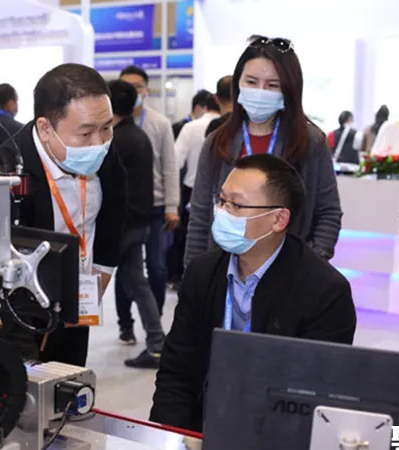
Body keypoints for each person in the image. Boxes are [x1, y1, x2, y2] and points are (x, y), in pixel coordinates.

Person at [150, 154, 356, 432]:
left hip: (276, 436)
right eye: (221, 201)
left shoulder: (325, 293)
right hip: (202, 426)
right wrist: (172, 438)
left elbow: (312, 399)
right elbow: (176, 370)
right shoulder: (202, 272)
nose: (222, 212)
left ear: (278, 219)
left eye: (236, 205)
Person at [0, 64, 127, 367]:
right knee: (22, 383)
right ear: (45, 128)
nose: (99, 143)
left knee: (68, 379)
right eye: (85, 133)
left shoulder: (103, 150)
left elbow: (113, 216)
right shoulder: (6, 166)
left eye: (106, 127)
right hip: (16, 304)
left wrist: (97, 282)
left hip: (78, 295)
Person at [185, 35, 342, 268]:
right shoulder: (218, 142)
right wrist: (194, 276)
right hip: (224, 268)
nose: (260, 91)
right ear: (238, 84)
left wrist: (310, 266)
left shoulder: (310, 142)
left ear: (288, 90)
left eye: (272, 85)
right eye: (251, 81)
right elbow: (199, 219)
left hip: (288, 271)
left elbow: (328, 213)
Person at [108, 79, 166, 369]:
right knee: (137, 282)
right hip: (138, 220)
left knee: (134, 283)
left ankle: (156, 344)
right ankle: (156, 343)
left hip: (122, 225)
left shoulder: (118, 140)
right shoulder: (138, 135)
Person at [119, 65, 180, 319]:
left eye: (137, 87)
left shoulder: (160, 122)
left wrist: (172, 206)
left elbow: (170, 166)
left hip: (156, 207)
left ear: (146, 90)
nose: (133, 92)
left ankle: (155, 315)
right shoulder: (111, 123)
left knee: (157, 267)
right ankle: (125, 323)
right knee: (124, 267)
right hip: (125, 208)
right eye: (127, 87)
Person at [166, 92, 221, 287]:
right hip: (228, 193)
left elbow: (176, 161)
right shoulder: (232, 127)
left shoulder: (191, 127)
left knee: (193, 236)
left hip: (193, 190)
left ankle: (186, 279)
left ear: (202, 107)